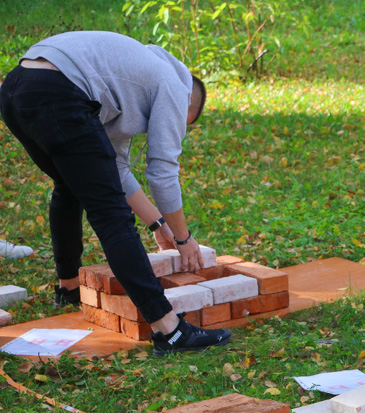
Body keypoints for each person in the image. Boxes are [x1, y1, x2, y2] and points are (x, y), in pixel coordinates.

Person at [0, 31, 230, 356]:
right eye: (181, 121)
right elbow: (162, 172)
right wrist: (182, 237)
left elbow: (116, 170)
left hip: (15, 89)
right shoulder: (174, 88)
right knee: (111, 216)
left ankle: (68, 288)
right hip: (59, 94)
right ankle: (170, 330)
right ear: (188, 101)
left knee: (71, 186)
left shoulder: (128, 82)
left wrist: (157, 224)